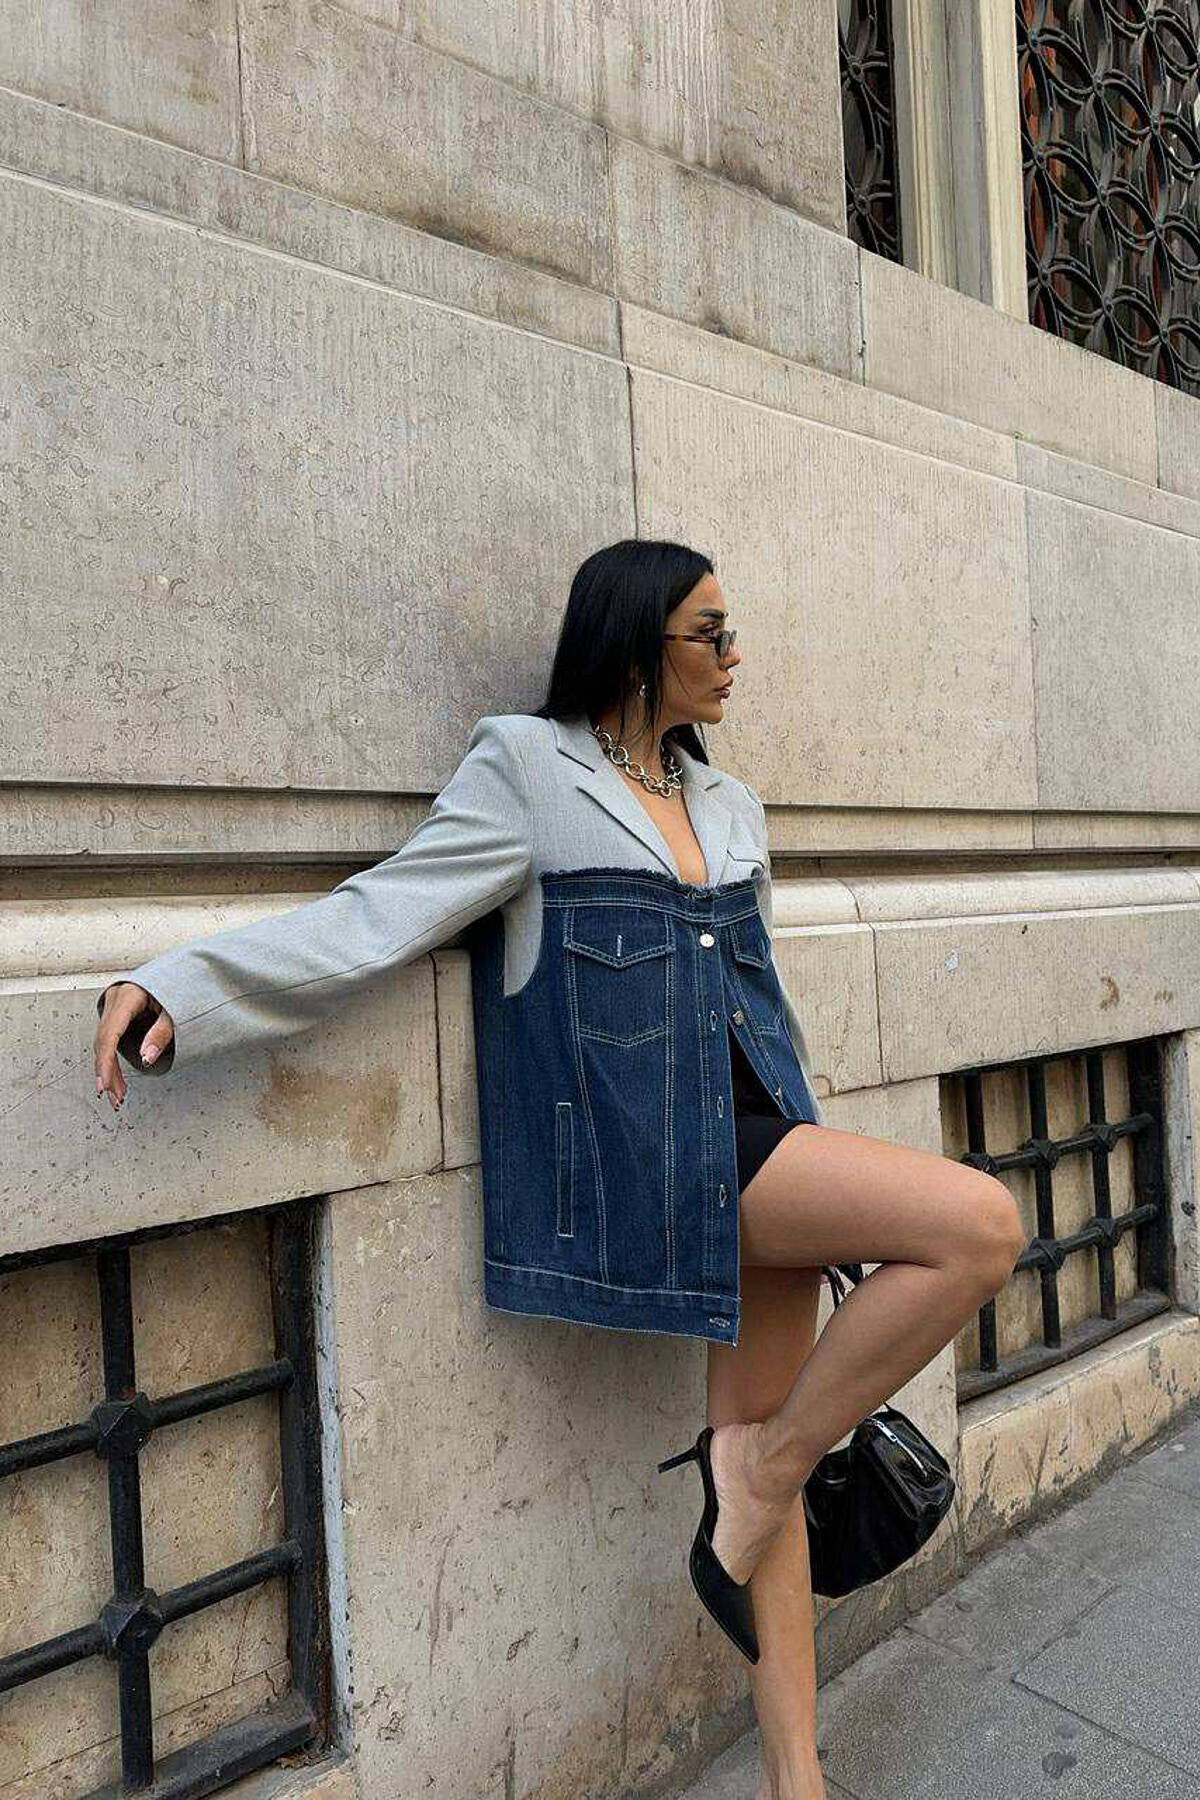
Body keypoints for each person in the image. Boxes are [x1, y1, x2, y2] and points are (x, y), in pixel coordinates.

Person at [93, 538, 1023, 1800]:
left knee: (766, 1443)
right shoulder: (528, 771)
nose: (735, 656)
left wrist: (820, 1159)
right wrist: (180, 988)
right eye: (709, 633)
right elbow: (378, 915)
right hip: (654, 1162)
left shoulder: (731, 806)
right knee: (978, 1227)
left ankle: (795, 1776)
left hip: (765, 1144)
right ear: (635, 642)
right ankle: (758, 1475)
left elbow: (759, 1007)